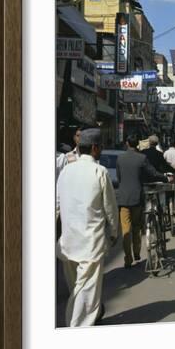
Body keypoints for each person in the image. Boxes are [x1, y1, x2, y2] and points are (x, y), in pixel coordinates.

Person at [57, 128, 118, 327]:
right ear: (94, 148)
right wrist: (115, 232)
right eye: (100, 147)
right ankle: (76, 330)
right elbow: (110, 207)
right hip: (90, 243)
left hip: (67, 241)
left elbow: (57, 205)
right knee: (85, 293)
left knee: (77, 287)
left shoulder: (66, 170)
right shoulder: (99, 171)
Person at [116, 135, 168, 268]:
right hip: (137, 198)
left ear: (127, 143)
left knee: (125, 230)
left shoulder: (120, 158)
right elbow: (152, 173)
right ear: (137, 144)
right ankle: (137, 252)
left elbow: (119, 177)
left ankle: (128, 259)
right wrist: (165, 178)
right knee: (136, 227)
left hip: (123, 198)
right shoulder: (141, 158)